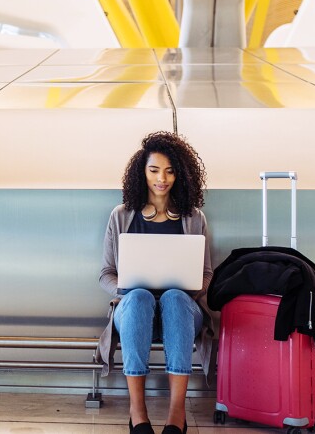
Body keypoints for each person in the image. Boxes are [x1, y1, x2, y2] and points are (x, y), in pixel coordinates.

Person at [97, 132, 215, 434]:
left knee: (175, 298)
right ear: (142, 173)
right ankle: (137, 411)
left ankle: (177, 414)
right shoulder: (121, 216)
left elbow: (206, 273)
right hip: (135, 312)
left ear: (181, 174)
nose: (162, 178)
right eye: (154, 170)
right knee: (138, 298)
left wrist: (190, 287)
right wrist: (125, 289)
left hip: (181, 312)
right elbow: (106, 273)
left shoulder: (193, 218)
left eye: (170, 170)